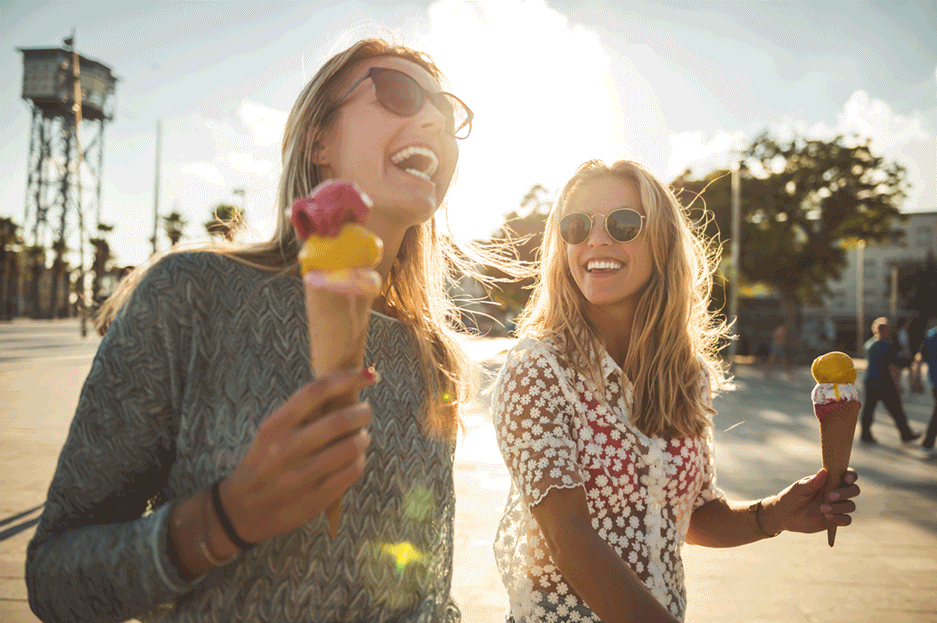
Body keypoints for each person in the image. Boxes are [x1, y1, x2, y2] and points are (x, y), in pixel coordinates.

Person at [26, 37, 484, 622]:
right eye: (398, 93)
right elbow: (54, 580)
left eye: (449, 113)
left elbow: (427, 587)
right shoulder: (190, 294)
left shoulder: (431, 353)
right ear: (319, 139)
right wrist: (224, 519)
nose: (433, 119)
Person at [491, 159, 861, 623]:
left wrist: (774, 514)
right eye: (576, 225)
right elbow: (570, 539)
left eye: (624, 224)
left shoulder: (686, 374)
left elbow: (693, 516)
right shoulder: (538, 368)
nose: (596, 239)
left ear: (662, 242)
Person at [859, 317, 922, 444]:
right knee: (896, 409)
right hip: (884, 382)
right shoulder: (887, 345)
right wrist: (898, 385)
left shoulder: (869, 344)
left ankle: (865, 434)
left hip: (870, 380)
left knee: (869, 409)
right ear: (884, 331)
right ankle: (906, 433)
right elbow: (892, 367)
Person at [914, 318, 937, 456]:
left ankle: (927, 442)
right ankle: (927, 442)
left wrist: (917, 379)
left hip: (933, 380)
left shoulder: (930, 334)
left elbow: (919, 358)